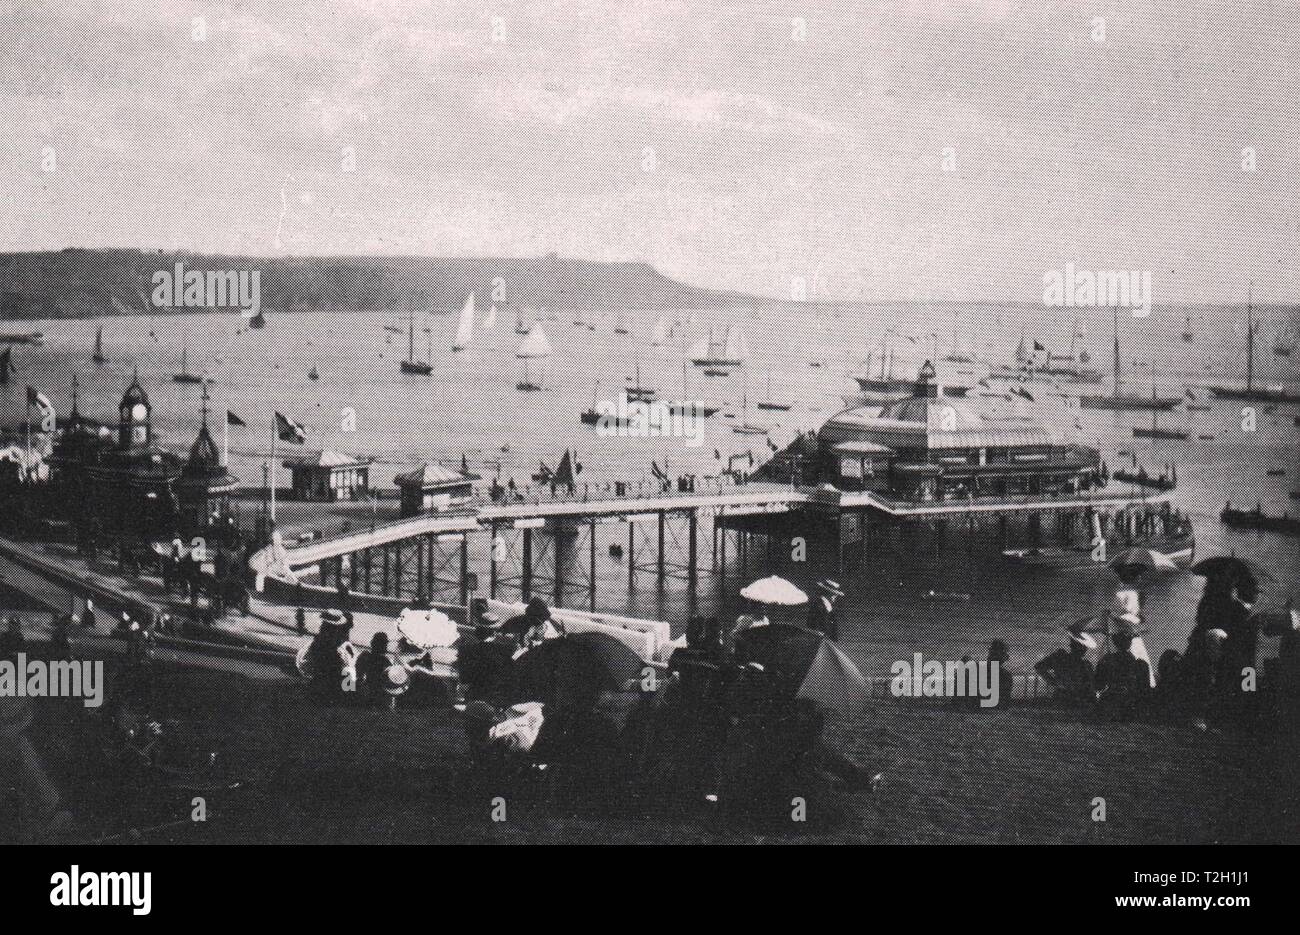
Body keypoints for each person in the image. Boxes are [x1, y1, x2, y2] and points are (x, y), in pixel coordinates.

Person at [1095, 630, 1151, 720]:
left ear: (1114, 642)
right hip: (1132, 706)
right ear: (1130, 642)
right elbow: (1145, 690)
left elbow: (1098, 686)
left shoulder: (1106, 660)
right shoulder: (1141, 664)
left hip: (1111, 705)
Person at [1034, 631, 1096, 703]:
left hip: (1064, 696)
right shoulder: (1086, 665)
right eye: (1084, 647)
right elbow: (1091, 685)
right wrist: (1053, 682)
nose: (1085, 650)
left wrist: (1053, 682)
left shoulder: (1060, 657)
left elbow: (1039, 667)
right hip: (1076, 698)